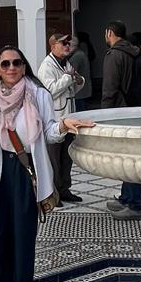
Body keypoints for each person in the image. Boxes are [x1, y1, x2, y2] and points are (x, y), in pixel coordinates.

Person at [0, 46, 93, 282]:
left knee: (21, 247)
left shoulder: (38, 94)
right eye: (5, 64)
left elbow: (49, 131)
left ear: (24, 65)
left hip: (26, 175)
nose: (11, 68)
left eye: (16, 63)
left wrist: (64, 125)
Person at [36, 31, 86, 204]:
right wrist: (68, 77)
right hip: (55, 119)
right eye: (63, 43)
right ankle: (53, 193)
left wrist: (78, 80)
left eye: (68, 43)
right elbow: (50, 91)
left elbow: (71, 89)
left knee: (66, 157)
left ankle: (64, 189)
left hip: (68, 116)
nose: (67, 46)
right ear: (53, 46)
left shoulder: (66, 63)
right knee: (53, 160)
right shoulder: (47, 66)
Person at [102, 20, 141, 215]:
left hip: (121, 113)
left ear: (110, 33)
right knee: (131, 156)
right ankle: (127, 197)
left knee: (130, 158)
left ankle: (135, 205)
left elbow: (109, 89)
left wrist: (104, 116)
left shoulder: (114, 55)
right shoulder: (135, 52)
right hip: (137, 110)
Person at [70, 34, 93, 112]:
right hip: (83, 91)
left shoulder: (76, 56)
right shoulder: (80, 53)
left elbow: (71, 73)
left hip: (80, 93)